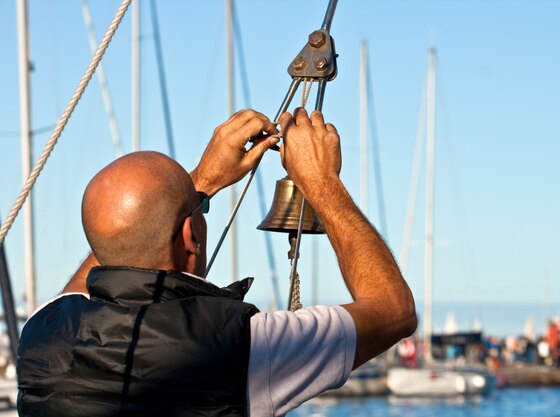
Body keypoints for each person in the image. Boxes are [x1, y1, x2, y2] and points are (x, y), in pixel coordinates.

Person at [17, 108, 416, 417]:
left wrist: (200, 184)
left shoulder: (42, 333)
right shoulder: (240, 345)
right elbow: (394, 311)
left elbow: (114, 242)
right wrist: (323, 184)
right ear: (191, 236)